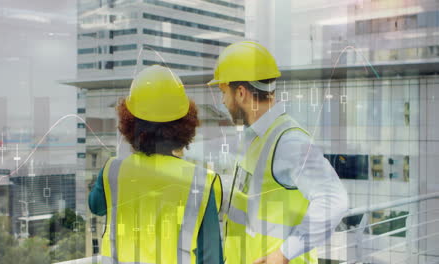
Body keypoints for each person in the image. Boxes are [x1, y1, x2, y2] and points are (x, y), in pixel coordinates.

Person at [208, 41, 348, 264]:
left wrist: (283, 254)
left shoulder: (288, 141)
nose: (223, 101)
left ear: (241, 93)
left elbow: (334, 199)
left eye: (223, 92)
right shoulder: (255, 138)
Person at [89, 65, 224, 264]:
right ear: (185, 123)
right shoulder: (201, 181)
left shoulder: (113, 172)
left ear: (130, 122)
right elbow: (212, 257)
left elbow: (96, 206)